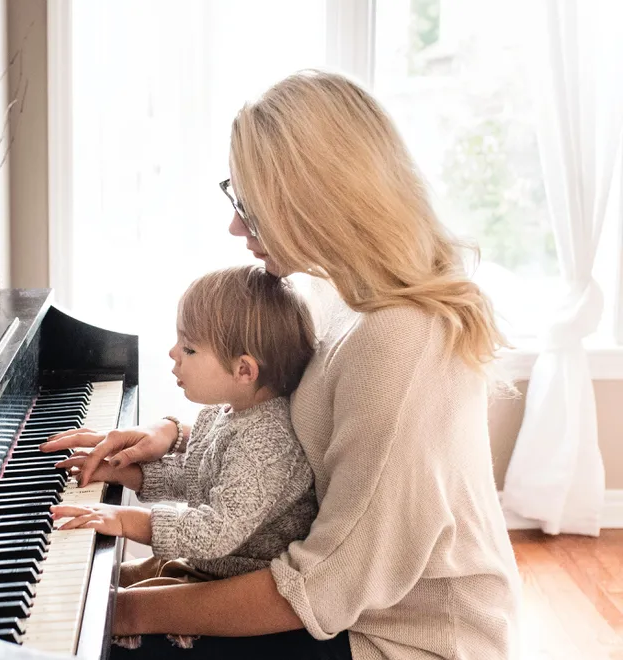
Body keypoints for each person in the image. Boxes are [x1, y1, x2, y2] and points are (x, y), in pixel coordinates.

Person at [42, 70, 521, 660]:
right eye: (236, 198)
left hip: (396, 638)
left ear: (315, 199)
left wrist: (107, 610)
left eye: (252, 206)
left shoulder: (400, 341)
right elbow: (292, 445)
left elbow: (319, 586)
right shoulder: (334, 293)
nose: (236, 225)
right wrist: (171, 440)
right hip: (339, 601)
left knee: (100, 640)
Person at [51, 266, 318, 648]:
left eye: (189, 348)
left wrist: (128, 520)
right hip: (210, 568)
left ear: (244, 369)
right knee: (81, 581)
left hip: (230, 589)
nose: (174, 354)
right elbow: (196, 477)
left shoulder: (268, 441)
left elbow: (216, 531)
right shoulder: (227, 411)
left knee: (92, 618)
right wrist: (126, 473)